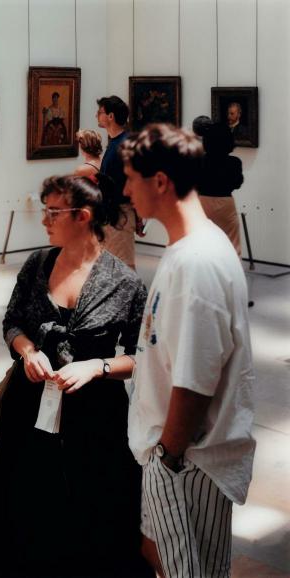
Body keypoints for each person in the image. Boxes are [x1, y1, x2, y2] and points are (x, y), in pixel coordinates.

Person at [0, 175, 151, 578]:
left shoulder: (124, 282)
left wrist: (97, 366)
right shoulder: (37, 264)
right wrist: (28, 351)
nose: (44, 220)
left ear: (83, 216)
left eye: (53, 212)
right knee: (24, 506)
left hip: (95, 417)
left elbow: (144, 357)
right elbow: (12, 322)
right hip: (29, 408)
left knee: (92, 513)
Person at [121, 124, 256, 577]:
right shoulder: (191, 248)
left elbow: (196, 381)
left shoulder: (197, 263)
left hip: (186, 459)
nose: (125, 190)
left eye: (131, 179)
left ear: (160, 181)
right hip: (182, 456)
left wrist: (166, 458)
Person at [97, 95, 141, 269]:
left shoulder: (124, 144)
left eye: (100, 112)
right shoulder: (115, 142)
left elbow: (136, 181)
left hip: (121, 214)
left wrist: (138, 216)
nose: (97, 115)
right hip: (111, 214)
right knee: (110, 267)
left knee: (123, 267)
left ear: (111, 116)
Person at [192, 115, 244, 255]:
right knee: (231, 244)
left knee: (202, 243)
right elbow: (237, 183)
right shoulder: (234, 162)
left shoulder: (199, 160)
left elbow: (194, 182)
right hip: (225, 202)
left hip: (203, 202)